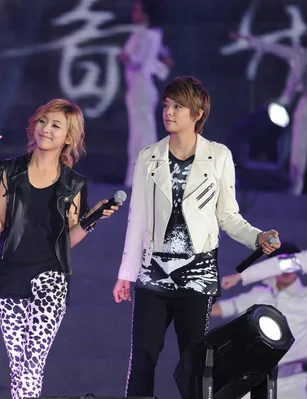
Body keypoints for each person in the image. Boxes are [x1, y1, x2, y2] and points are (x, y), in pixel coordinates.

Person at [112, 76, 282, 397]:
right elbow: (137, 220)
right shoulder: (149, 156)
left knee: (195, 362)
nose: (169, 112)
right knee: (143, 359)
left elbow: (228, 216)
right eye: (166, 105)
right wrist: (126, 274)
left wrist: (257, 237)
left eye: (178, 106)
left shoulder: (218, 156)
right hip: (153, 275)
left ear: (197, 113)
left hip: (198, 276)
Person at [0, 98, 120, 399]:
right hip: (11, 277)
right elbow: (0, 226)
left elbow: (67, 239)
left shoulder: (73, 184)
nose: (45, 129)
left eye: (55, 125)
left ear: (68, 137)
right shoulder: (9, 172)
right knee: (19, 365)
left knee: (32, 361)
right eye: (42, 121)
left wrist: (93, 219)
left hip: (51, 279)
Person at [212, 243, 307, 399]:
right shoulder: (258, 295)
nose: (286, 270)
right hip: (253, 380)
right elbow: (223, 308)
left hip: (293, 382)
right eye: (278, 265)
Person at [229, 31, 307, 196]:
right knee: (298, 151)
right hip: (302, 108)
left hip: (301, 108)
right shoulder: (301, 54)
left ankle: (296, 188)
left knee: (298, 151)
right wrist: (248, 39)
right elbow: (272, 47)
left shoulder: (300, 54)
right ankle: (295, 190)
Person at [117, 0, 166, 187]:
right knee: (138, 136)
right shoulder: (146, 34)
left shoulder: (147, 34)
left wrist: (128, 57)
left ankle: (150, 177)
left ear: (145, 14)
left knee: (144, 136)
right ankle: (134, 178)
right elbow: (156, 62)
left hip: (142, 89)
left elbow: (139, 60)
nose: (133, 13)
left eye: (137, 10)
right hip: (138, 89)